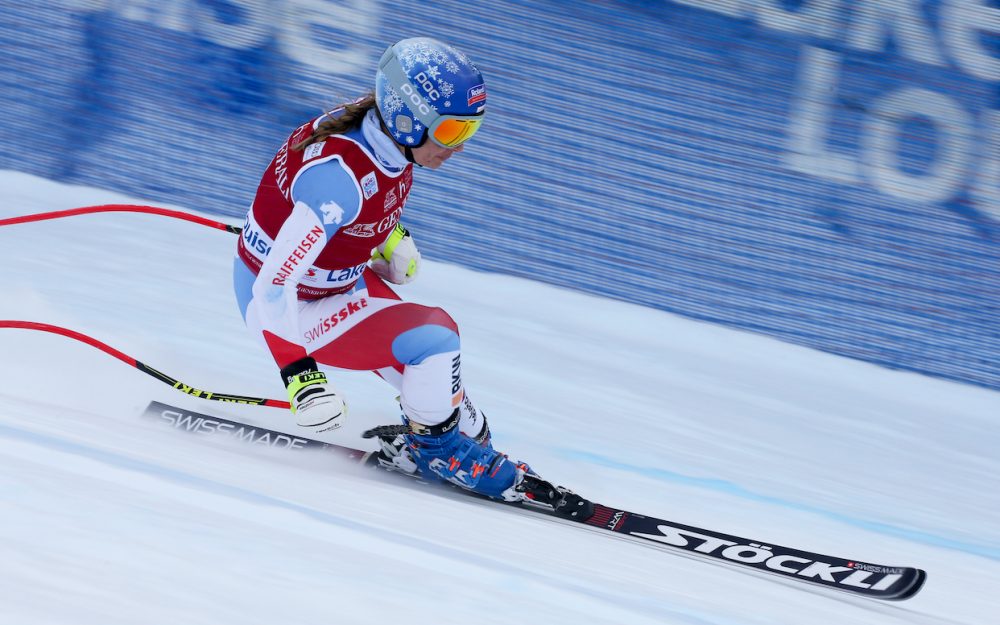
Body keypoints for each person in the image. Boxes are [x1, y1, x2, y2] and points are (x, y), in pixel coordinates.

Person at [232, 37, 524, 501]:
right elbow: (275, 284)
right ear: (408, 117)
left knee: (470, 423)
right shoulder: (338, 182)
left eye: (470, 132)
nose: (459, 148)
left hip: (331, 282)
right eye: (451, 133)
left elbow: (361, 201)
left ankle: (438, 439)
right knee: (437, 339)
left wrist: (388, 237)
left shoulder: (380, 132)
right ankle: (434, 450)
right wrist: (302, 379)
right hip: (287, 308)